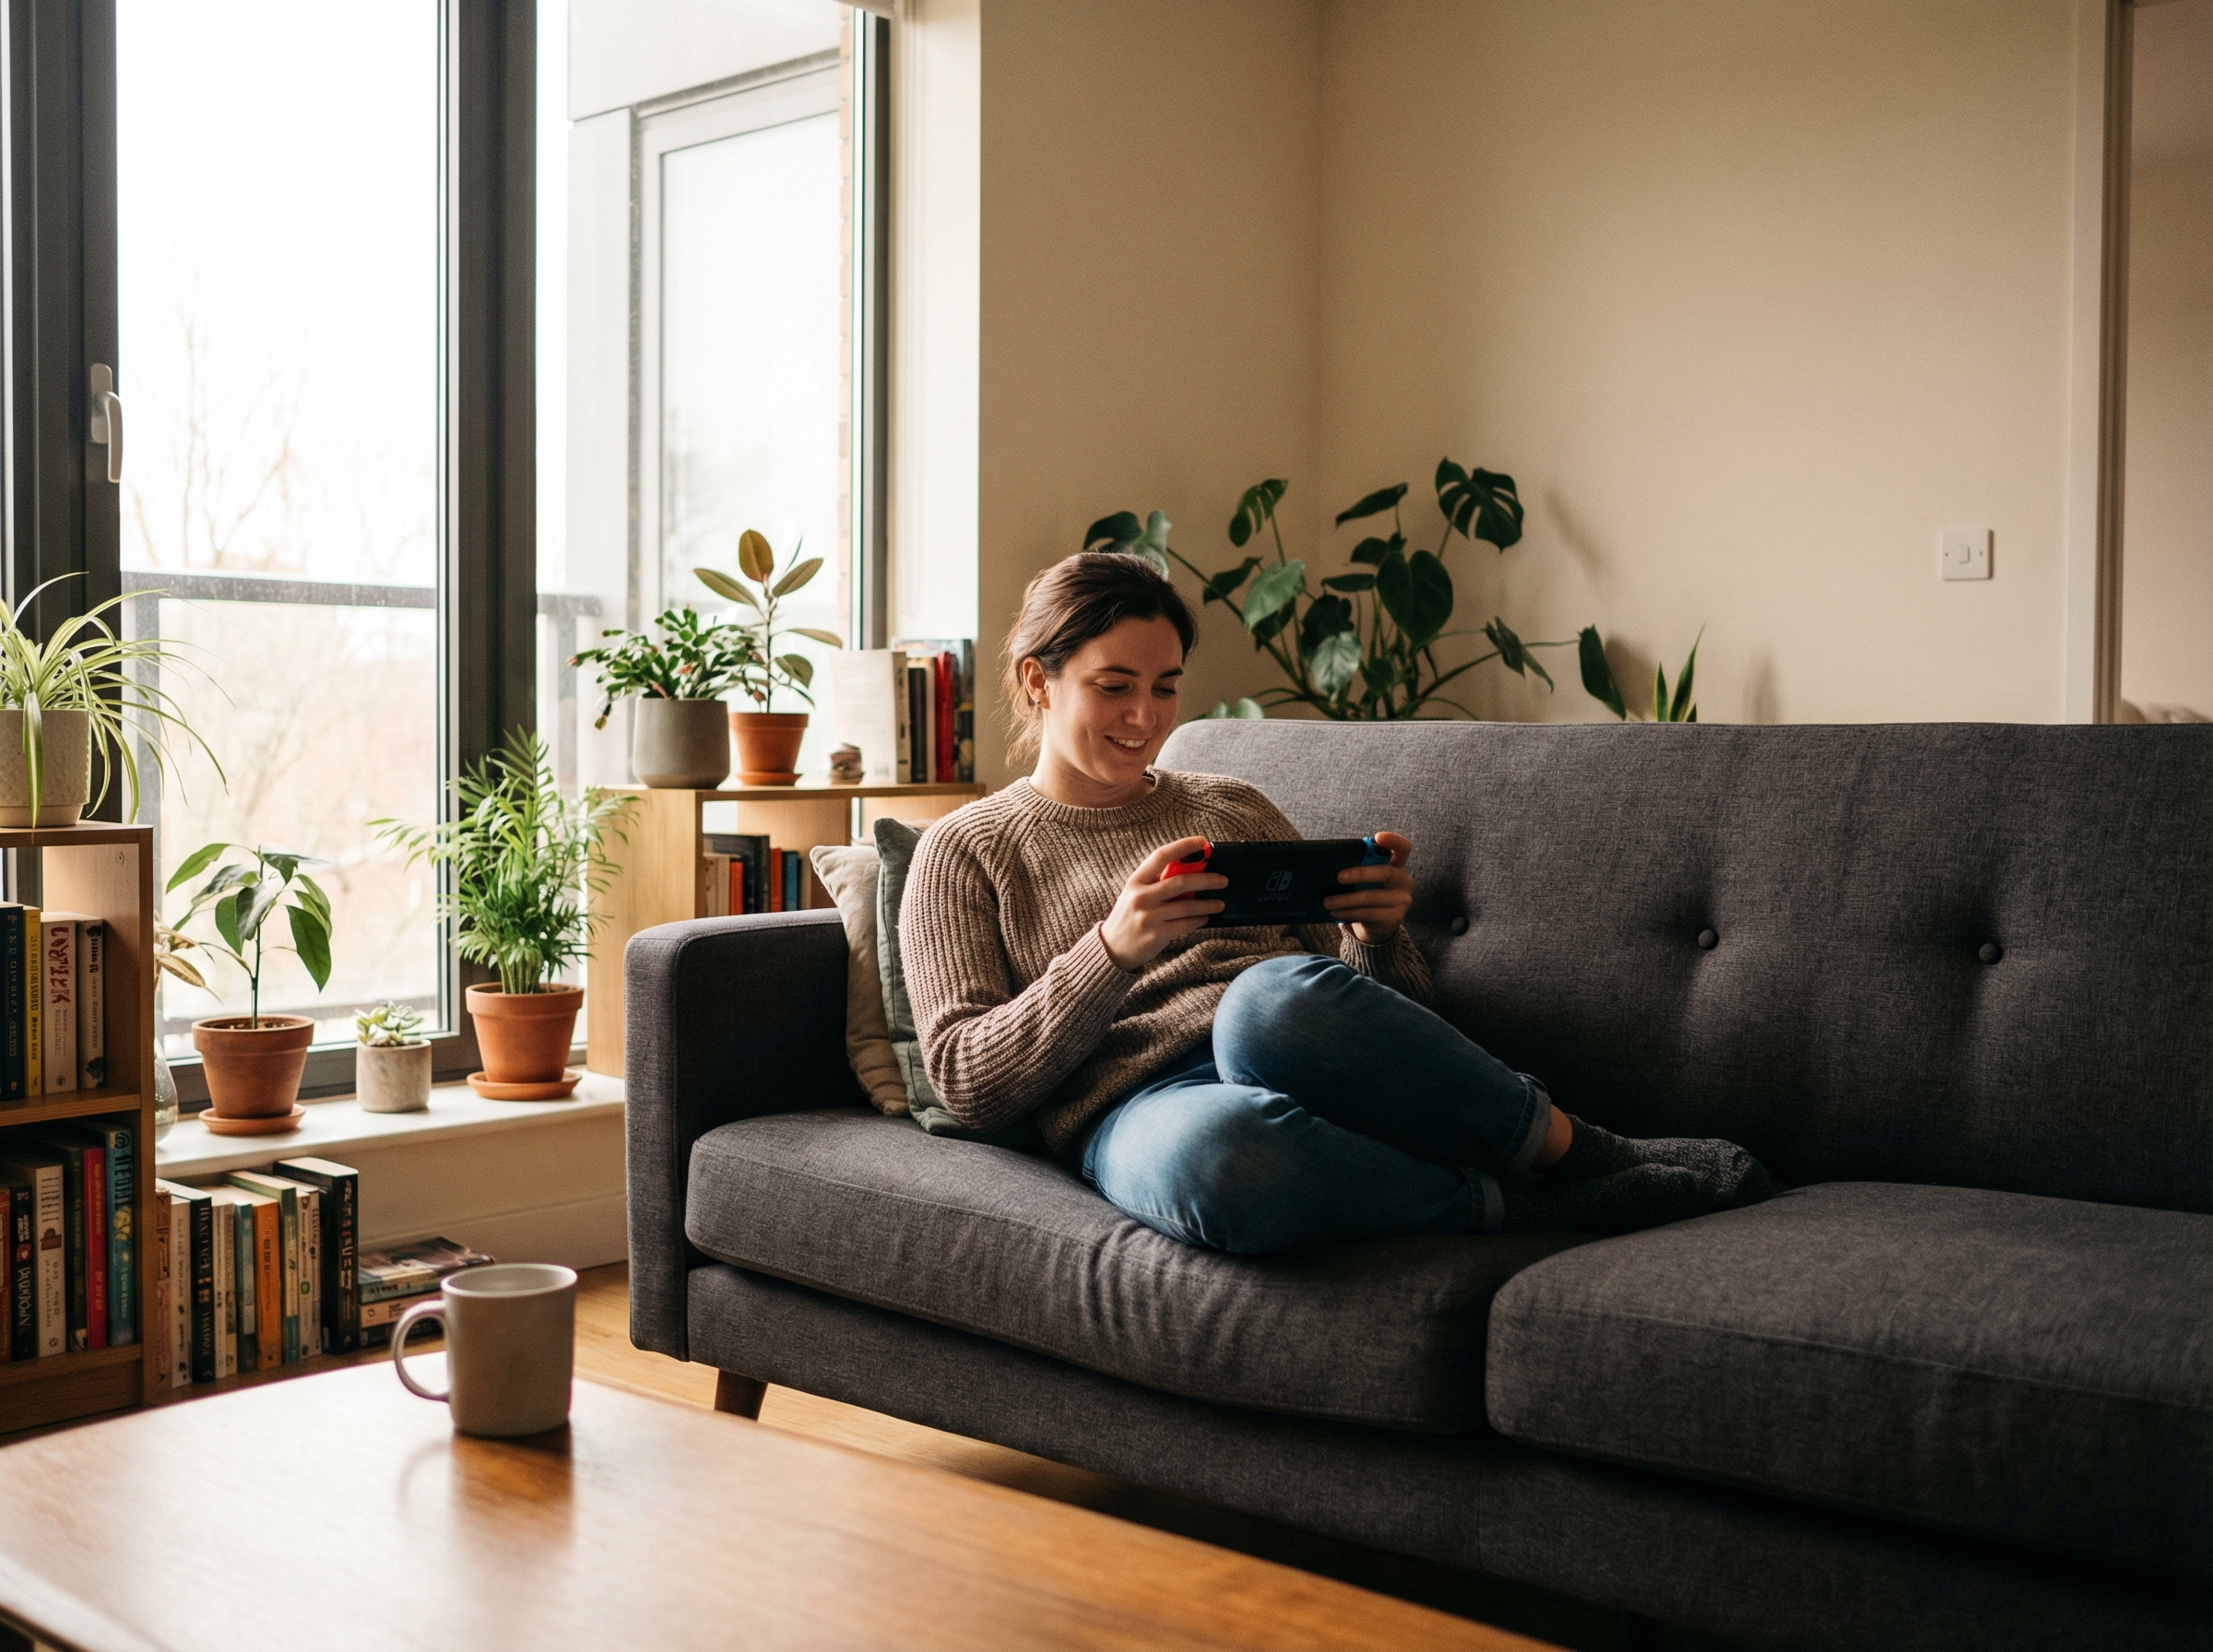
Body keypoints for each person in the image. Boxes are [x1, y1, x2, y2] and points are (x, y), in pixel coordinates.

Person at [899, 551, 1775, 1255]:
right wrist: (1112, 951)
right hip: (1140, 1109)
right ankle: (1520, 1206)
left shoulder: (1227, 806)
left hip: (1301, 1058)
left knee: (1269, 999)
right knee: (1218, 1160)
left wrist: (1374, 936)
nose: (1145, 715)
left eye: (1165, 686)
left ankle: (1593, 1154)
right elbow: (969, 1082)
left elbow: (1390, 1021)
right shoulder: (967, 850)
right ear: (1037, 681)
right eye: (1113, 685)